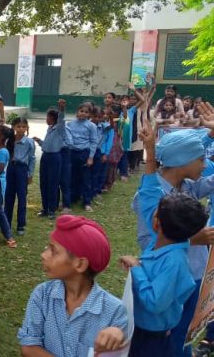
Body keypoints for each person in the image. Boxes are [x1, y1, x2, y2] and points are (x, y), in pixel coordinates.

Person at [131, 112, 214, 355]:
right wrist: (192, 240)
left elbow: (207, 172)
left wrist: (210, 135)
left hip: (194, 275)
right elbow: (148, 242)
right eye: (201, 159)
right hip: (167, 281)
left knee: (184, 336)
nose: (205, 164)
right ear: (183, 161)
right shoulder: (154, 198)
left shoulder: (187, 186)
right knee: (170, 339)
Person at [18, 216, 127, 356]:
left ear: (80, 264)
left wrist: (118, 335)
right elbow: (29, 346)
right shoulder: (42, 295)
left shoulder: (114, 311)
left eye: (53, 250)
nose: (43, 255)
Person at [121, 193, 205, 356]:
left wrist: (137, 268)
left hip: (152, 339)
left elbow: (155, 303)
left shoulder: (174, 262)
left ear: (156, 222)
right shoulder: (159, 244)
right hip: (138, 327)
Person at [33, 100, 66, 219]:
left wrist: (61, 109)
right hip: (45, 156)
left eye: (48, 117)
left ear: (53, 118)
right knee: (44, 182)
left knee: (52, 183)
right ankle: (45, 208)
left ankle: (52, 209)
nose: (46, 119)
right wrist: (39, 141)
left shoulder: (59, 128)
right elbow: (47, 145)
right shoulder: (49, 129)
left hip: (55, 157)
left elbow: (62, 119)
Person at [5, 117, 35, 235]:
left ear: (27, 128)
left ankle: (21, 225)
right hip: (10, 169)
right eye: (18, 126)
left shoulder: (29, 142)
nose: (21, 129)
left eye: (23, 126)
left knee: (22, 197)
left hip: (22, 169)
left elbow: (32, 159)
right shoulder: (9, 140)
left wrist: (30, 174)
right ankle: (6, 222)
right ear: (13, 127)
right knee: (9, 196)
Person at [66, 102, 98, 212]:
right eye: (81, 111)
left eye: (86, 112)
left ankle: (87, 202)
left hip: (84, 153)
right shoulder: (70, 124)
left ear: (89, 114)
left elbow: (94, 142)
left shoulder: (91, 126)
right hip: (72, 152)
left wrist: (90, 157)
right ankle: (70, 199)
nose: (83, 113)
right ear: (77, 111)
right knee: (71, 177)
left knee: (85, 178)